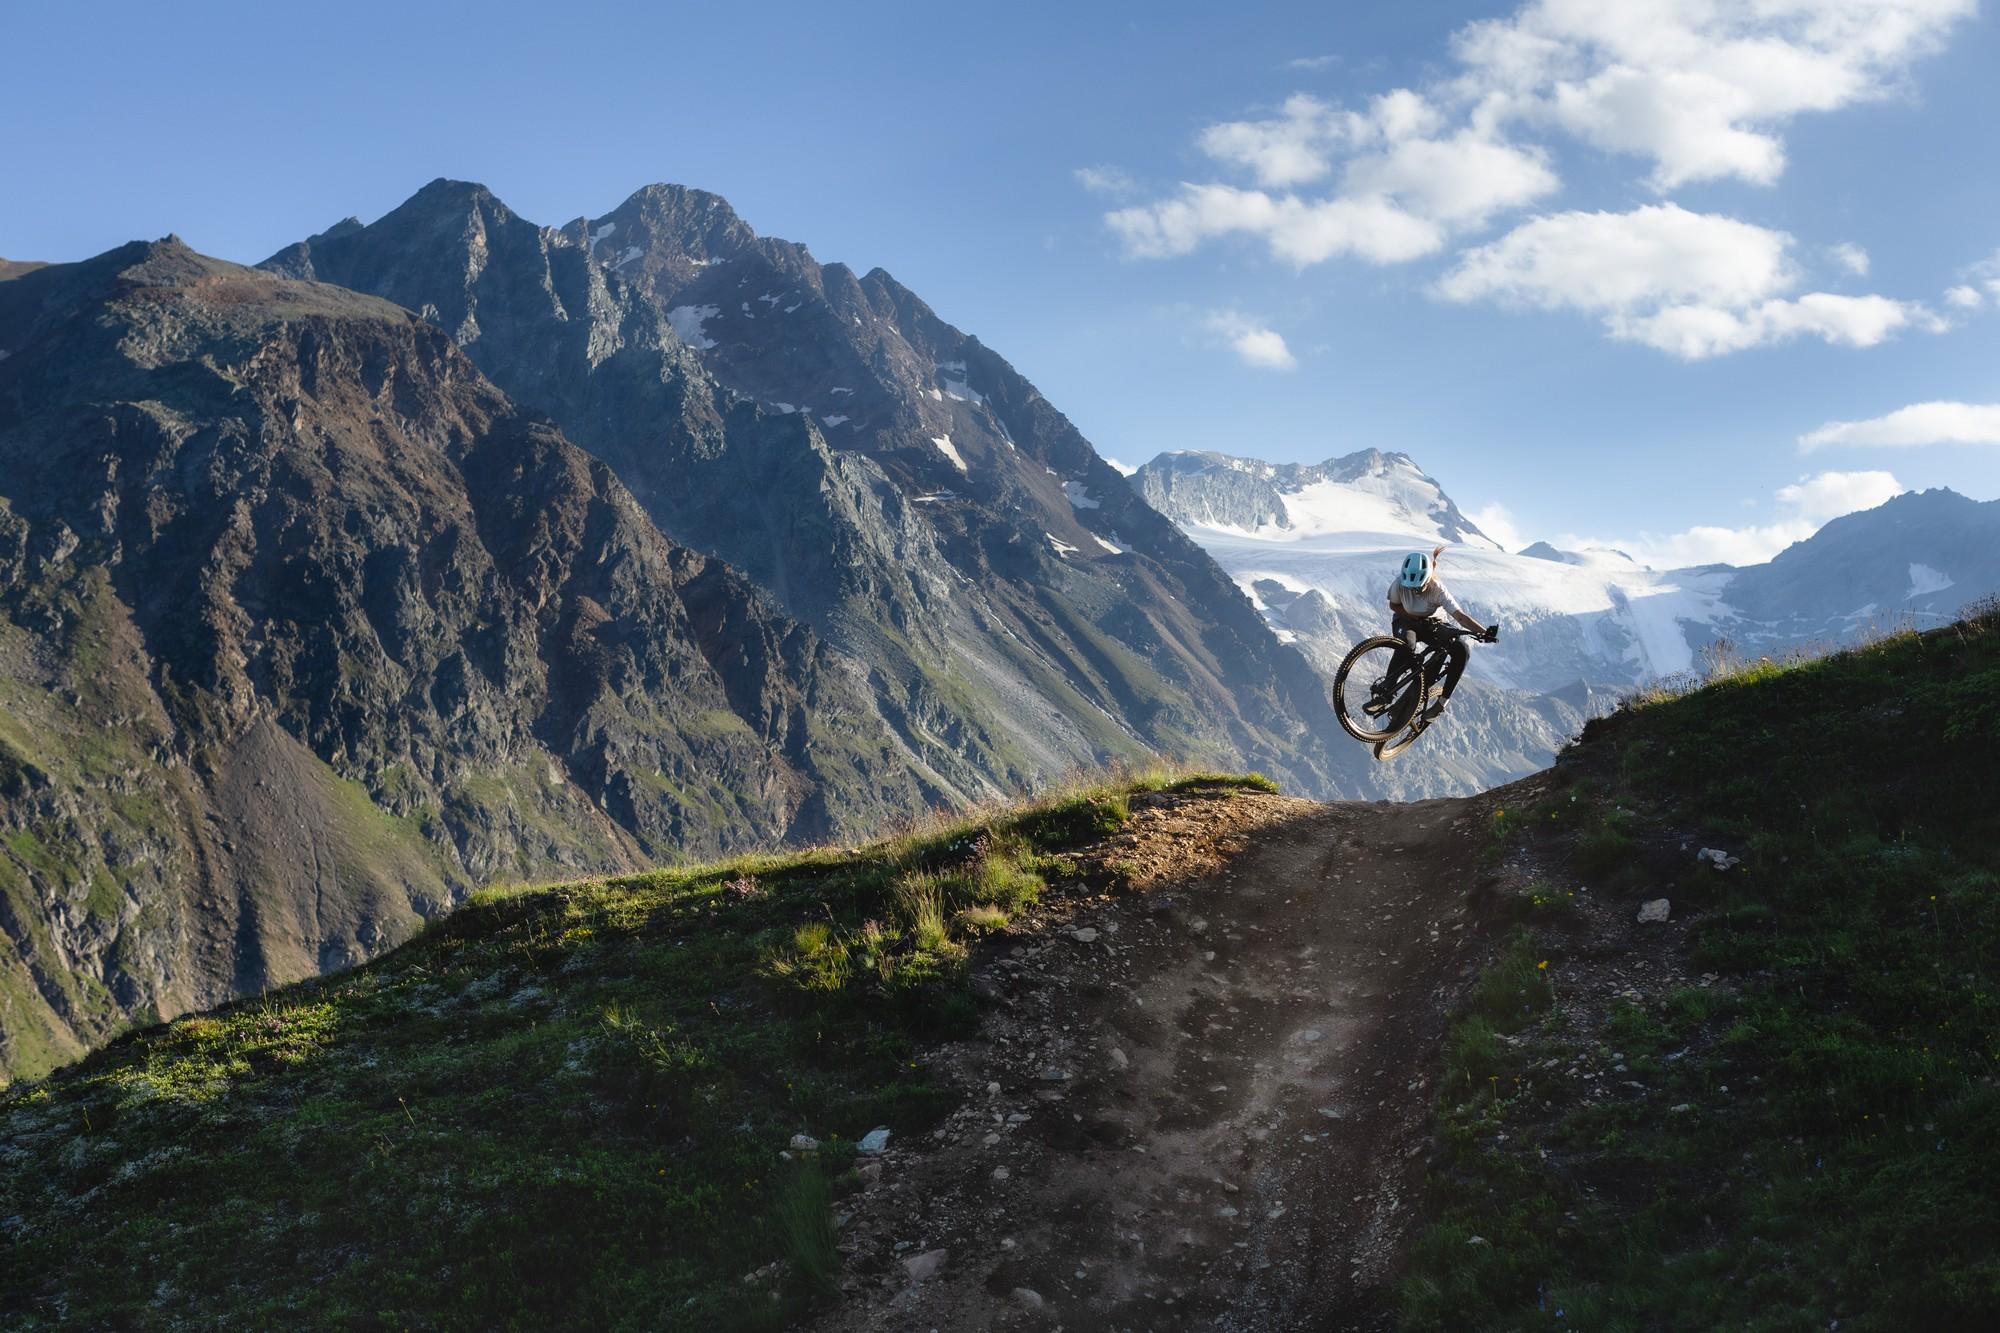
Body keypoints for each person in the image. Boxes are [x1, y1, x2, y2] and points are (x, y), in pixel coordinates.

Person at [1386, 545, 1497, 719]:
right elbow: (1394, 605)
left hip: (1433, 624)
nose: (1414, 591)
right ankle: (1386, 691)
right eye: (1411, 587)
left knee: (1461, 649)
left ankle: (1441, 703)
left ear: (1428, 578)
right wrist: (1412, 617)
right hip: (1406, 620)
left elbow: (1460, 617)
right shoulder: (1399, 584)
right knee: (1406, 646)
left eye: (1419, 587)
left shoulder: (1438, 589)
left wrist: (1484, 632)